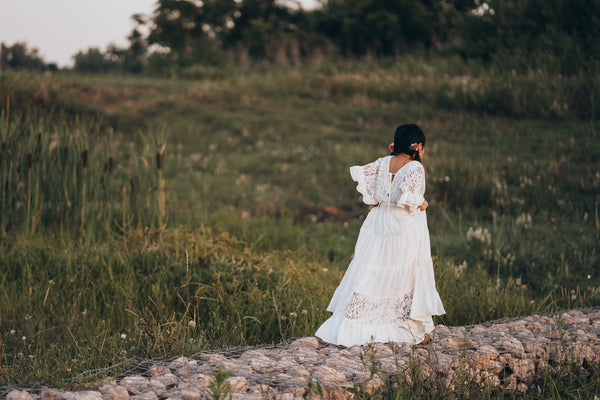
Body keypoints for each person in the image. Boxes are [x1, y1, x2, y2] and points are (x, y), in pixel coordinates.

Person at [315, 123, 445, 347]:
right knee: (404, 274)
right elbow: (408, 195)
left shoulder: (384, 162)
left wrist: (379, 201)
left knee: (370, 272)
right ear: (418, 147)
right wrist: (423, 203)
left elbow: (369, 188)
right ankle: (404, 328)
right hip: (402, 228)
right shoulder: (414, 167)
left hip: (377, 225)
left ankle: (350, 324)